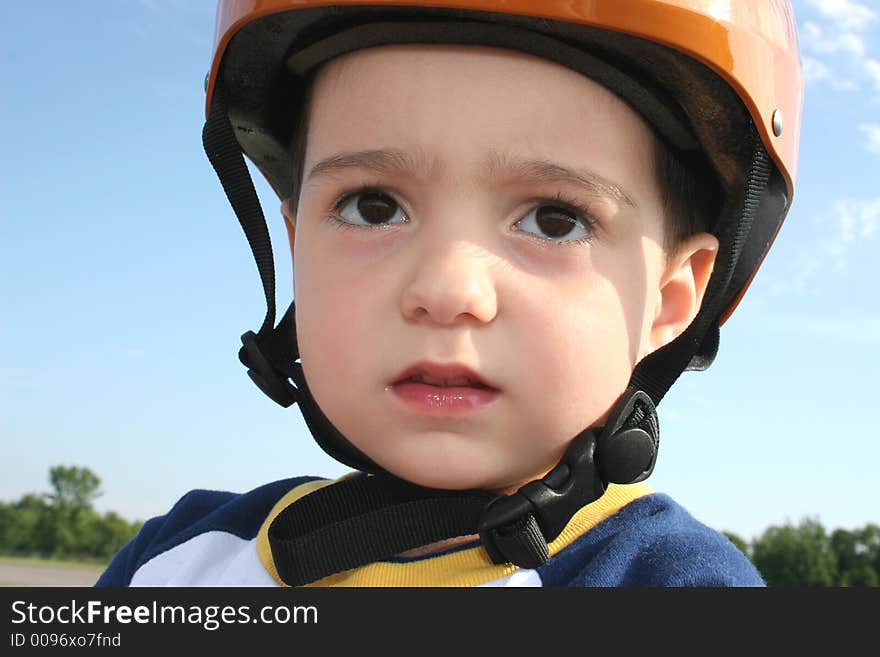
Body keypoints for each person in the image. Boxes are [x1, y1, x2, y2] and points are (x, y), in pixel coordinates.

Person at [96, 0, 803, 587]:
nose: (446, 290)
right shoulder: (176, 559)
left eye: (554, 219)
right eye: (372, 206)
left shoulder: (675, 587)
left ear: (672, 299)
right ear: (294, 243)